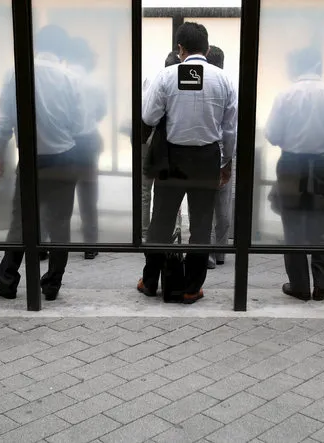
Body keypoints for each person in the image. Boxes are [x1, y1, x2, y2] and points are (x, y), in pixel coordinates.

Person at [137, 22, 237, 304]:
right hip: (207, 158)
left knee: (160, 222)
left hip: (172, 158)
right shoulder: (224, 80)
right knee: (202, 225)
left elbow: (149, 118)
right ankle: (192, 288)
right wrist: (226, 162)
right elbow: (230, 130)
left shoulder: (167, 76)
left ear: (180, 49)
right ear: (206, 48)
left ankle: (150, 281)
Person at [0, 25, 85, 301]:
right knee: (60, 225)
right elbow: (78, 124)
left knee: (20, 222)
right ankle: (52, 285)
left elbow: (5, 121)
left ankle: (8, 282)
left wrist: (0, 153)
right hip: (64, 159)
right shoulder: (70, 77)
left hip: (31, 160)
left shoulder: (16, 73)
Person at [265, 46, 324, 302]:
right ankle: (322, 286)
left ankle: (299, 285)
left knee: (292, 224)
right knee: (322, 224)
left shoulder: (285, 95)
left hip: (291, 164)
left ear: (296, 66)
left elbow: (272, 134)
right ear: (318, 66)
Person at [65, 37, 106, 259]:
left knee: (59, 193)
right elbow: (100, 112)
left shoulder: (60, 79)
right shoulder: (94, 83)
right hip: (88, 141)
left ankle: (49, 242)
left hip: (64, 141)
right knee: (88, 194)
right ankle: (90, 243)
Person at [141, 51, 182, 239]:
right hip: (172, 145)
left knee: (145, 190)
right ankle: (175, 228)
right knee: (173, 189)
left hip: (150, 143)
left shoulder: (154, 81)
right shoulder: (182, 85)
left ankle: (144, 231)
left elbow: (147, 115)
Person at [205, 45, 235, 269]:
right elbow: (231, 128)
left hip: (205, 153)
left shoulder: (206, 85)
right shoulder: (229, 85)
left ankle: (206, 253)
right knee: (223, 206)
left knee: (204, 205)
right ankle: (221, 251)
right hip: (225, 153)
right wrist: (228, 158)